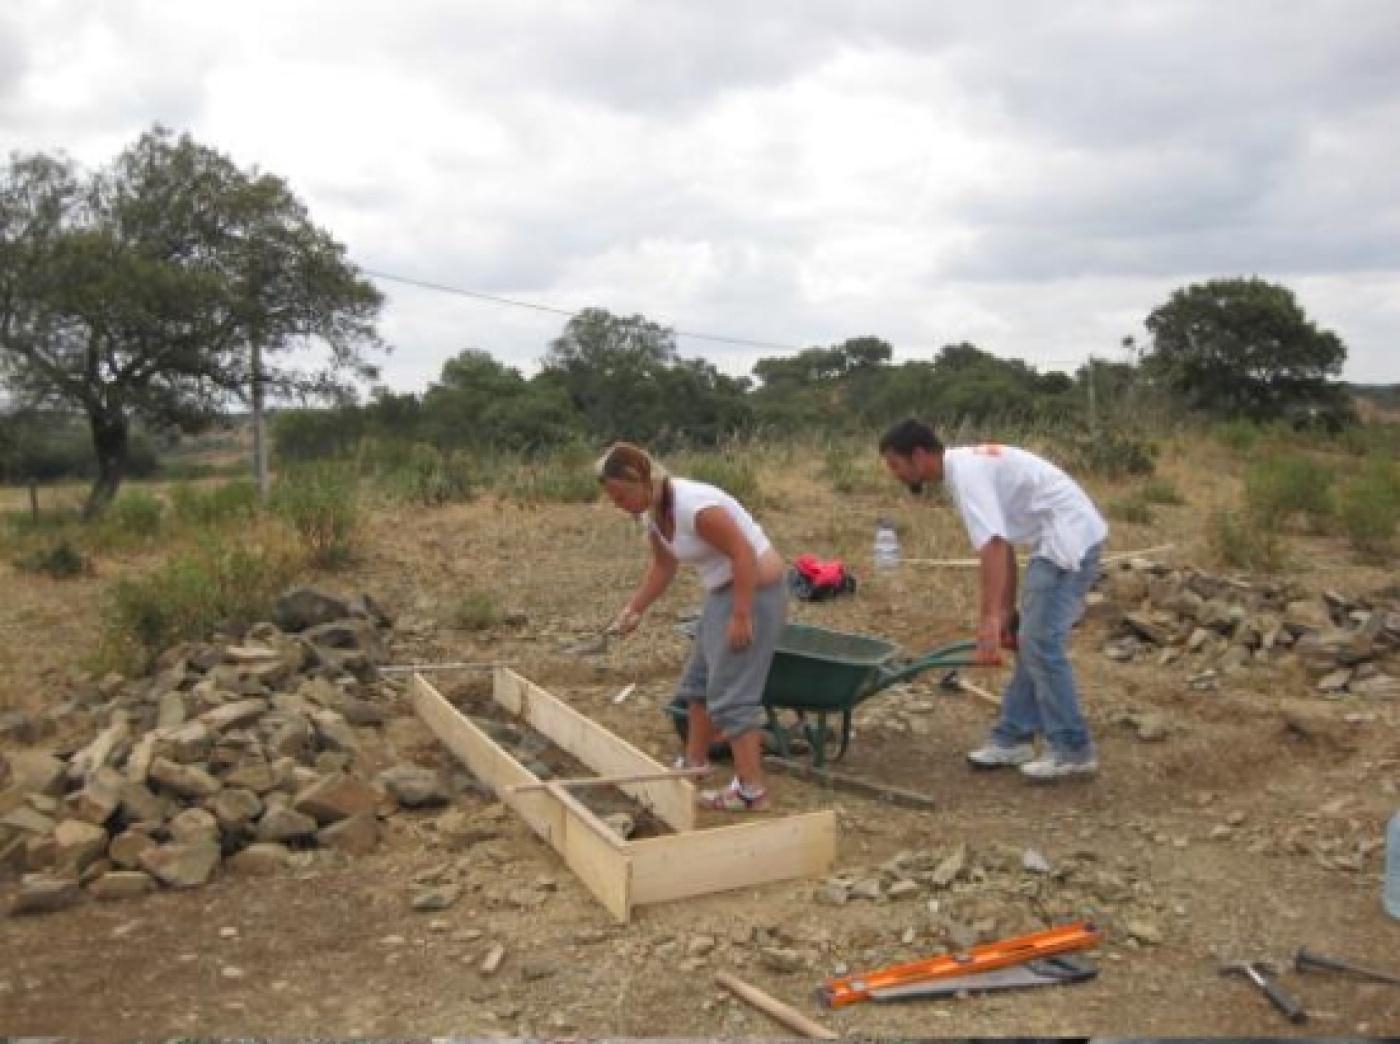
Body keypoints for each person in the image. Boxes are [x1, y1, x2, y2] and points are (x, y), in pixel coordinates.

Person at [879, 419, 1107, 782]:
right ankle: (1013, 737)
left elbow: (994, 547)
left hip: (1069, 540)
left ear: (919, 456)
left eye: (895, 465)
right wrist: (1004, 611)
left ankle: (1072, 750)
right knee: (1032, 642)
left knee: (1041, 645)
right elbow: (1005, 544)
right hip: (1056, 539)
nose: (895, 474)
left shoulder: (966, 473)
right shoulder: (966, 468)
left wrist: (988, 621)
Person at [597, 442, 787, 811]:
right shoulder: (653, 513)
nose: (618, 505)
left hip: (755, 592)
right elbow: (663, 565)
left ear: (639, 480)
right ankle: (694, 764)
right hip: (723, 591)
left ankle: (751, 791)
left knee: (731, 693)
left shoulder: (694, 505)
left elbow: (743, 553)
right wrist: (634, 610)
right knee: (698, 683)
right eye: (613, 499)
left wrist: (741, 615)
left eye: (620, 495)